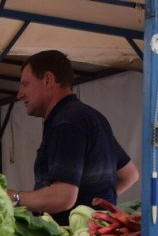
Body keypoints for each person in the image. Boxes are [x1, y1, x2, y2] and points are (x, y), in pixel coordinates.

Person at [9, 50, 139, 226]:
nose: (20, 94)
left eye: (25, 84)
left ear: (48, 80)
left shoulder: (66, 122)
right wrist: (92, 208)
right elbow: (129, 174)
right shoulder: (91, 117)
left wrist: (15, 197)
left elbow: (62, 197)